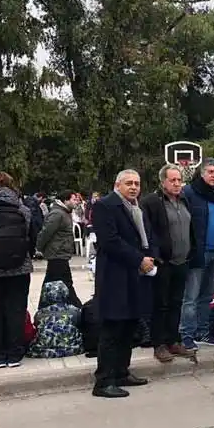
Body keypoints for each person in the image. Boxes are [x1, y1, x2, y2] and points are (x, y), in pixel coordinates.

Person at [92, 170, 155, 398]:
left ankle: (121, 372)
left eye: (137, 183)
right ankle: (103, 381)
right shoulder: (104, 206)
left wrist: (150, 257)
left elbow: (145, 236)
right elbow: (110, 241)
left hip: (134, 275)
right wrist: (139, 259)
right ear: (117, 184)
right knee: (113, 328)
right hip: (114, 276)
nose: (134, 187)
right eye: (129, 183)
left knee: (129, 326)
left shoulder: (136, 207)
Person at [140, 164, 195, 363]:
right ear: (163, 181)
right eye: (172, 180)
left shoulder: (184, 201)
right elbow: (146, 232)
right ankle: (159, 344)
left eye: (179, 180)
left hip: (183, 261)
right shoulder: (151, 202)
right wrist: (155, 256)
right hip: (164, 262)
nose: (177, 183)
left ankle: (173, 340)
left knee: (176, 303)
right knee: (160, 304)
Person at [0, 172, 37, 368]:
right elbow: (33, 238)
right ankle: (14, 354)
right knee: (15, 309)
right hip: (20, 268)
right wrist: (26, 257)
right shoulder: (23, 209)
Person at [181, 159, 214, 351]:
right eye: (210, 171)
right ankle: (186, 334)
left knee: (207, 296)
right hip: (197, 252)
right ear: (202, 174)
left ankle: (202, 332)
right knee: (190, 297)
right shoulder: (189, 192)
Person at [36, 190, 83, 308]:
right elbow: (45, 232)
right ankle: (77, 307)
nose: (76, 202)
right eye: (73, 199)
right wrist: (39, 248)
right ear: (65, 200)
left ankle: (43, 307)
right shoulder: (57, 214)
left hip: (61, 254)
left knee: (53, 281)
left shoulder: (65, 212)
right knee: (65, 283)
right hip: (57, 254)